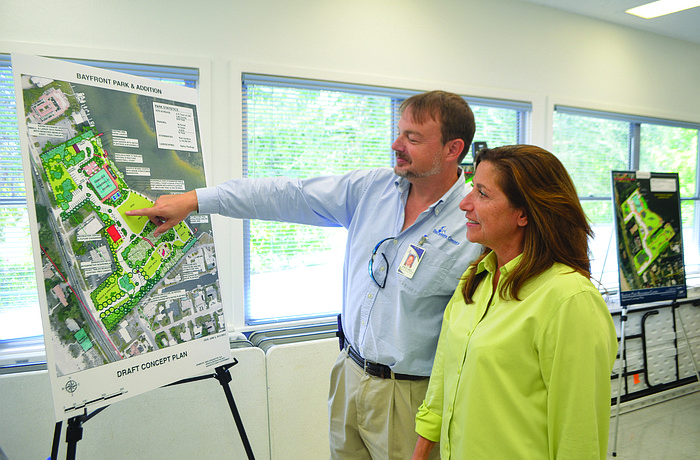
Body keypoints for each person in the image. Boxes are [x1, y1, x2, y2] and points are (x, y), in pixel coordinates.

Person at [126, 90, 482, 459]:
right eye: (399, 132)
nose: (396, 144)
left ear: (452, 149)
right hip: (350, 373)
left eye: (413, 138)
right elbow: (286, 195)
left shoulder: (472, 223)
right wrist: (197, 200)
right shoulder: (372, 189)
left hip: (410, 395)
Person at [411, 145, 618, 459]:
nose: (465, 204)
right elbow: (443, 373)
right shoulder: (476, 278)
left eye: (482, 193)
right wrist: (422, 449)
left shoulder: (569, 300)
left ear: (524, 213)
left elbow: (579, 434)